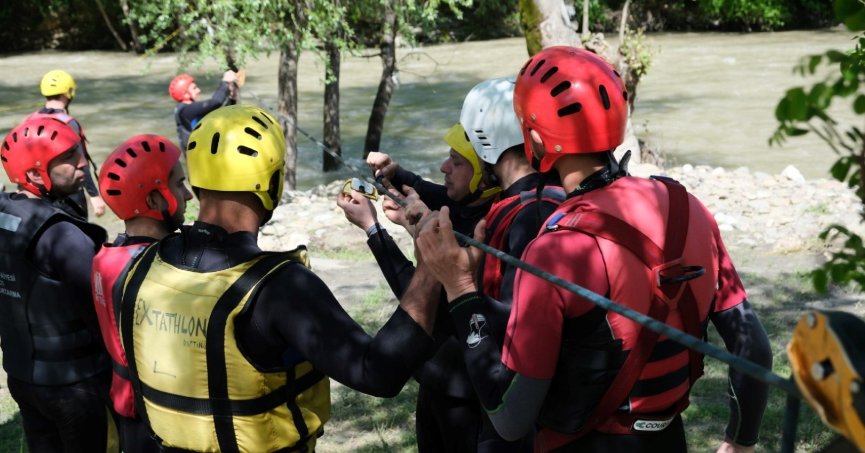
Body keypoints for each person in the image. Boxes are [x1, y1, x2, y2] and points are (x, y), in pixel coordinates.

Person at [416, 46, 773, 453]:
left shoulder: (556, 251)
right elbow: (754, 347)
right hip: (669, 441)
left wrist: (460, 287)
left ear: (533, 138)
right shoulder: (686, 207)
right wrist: (740, 443)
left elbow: (510, 419)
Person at [116, 104, 441, 452]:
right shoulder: (281, 288)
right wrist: (432, 266)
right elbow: (378, 372)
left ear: (195, 185)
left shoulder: (139, 268)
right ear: (271, 182)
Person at [0, 115, 112, 452]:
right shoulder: (65, 236)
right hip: (73, 383)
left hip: (22, 374)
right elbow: (102, 314)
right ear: (35, 174)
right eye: (68, 158)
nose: (82, 164)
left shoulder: (5, 212)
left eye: (78, 150)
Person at [91, 134, 192, 453]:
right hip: (162, 422)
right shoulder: (162, 272)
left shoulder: (104, 258)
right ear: (152, 201)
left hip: (129, 415)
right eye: (179, 184)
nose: (188, 193)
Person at [29, 69, 106, 219]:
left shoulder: (31, 120)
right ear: (68, 92)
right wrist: (94, 195)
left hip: (39, 192)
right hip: (69, 192)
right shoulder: (68, 123)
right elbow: (81, 161)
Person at [169, 70, 238, 150]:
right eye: (194, 88)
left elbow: (218, 112)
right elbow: (216, 102)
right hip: (199, 158)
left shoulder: (185, 110)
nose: (199, 90)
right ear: (185, 94)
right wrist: (225, 82)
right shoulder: (186, 110)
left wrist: (230, 97)